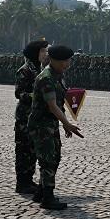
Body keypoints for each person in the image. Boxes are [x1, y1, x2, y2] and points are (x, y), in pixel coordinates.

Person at [27, 45, 84, 210]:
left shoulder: (58, 75)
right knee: (48, 160)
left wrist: (64, 124)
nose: (66, 64)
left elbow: (60, 103)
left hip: (50, 124)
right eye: (63, 61)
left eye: (68, 61)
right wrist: (67, 124)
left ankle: (41, 191)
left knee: (53, 157)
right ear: (53, 60)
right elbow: (52, 105)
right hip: (41, 125)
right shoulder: (46, 78)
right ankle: (48, 197)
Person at [14, 40, 49, 194]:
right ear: (36, 53)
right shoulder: (25, 70)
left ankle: (29, 180)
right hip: (24, 117)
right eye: (43, 51)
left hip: (36, 116)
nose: (45, 54)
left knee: (33, 150)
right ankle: (22, 182)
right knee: (24, 150)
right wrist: (37, 96)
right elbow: (19, 93)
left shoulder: (40, 69)